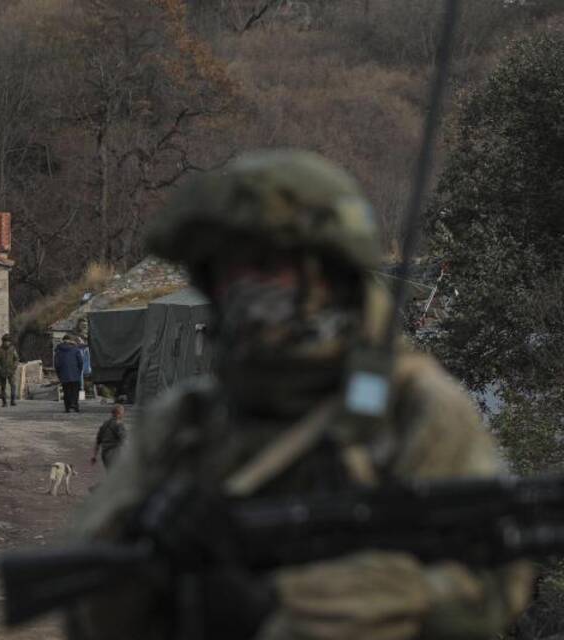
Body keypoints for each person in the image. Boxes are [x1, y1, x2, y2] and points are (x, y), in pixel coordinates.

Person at [66, 151, 533, 639]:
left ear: (327, 273)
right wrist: (163, 577)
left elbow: (492, 586)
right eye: (226, 266)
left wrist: (387, 597)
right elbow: (86, 596)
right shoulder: (188, 420)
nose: (243, 283)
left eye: (267, 264)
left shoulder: (415, 407)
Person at [54, 334, 85, 413]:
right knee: (75, 391)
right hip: (75, 374)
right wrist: (79, 371)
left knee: (66, 391)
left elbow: (57, 364)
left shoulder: (58, 350)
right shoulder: (76, 349)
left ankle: (67, 407)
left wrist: (59, 374)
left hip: (64, 374)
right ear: (71, 340)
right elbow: (80, 362)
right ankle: (75, 405)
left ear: (63, 340)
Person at [91, 404, 126, 469]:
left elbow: (98, 441)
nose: (123, 414)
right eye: (123, 412)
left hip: (105, 454)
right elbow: (124, 441)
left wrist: (94, 456)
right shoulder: (119, 425)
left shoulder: (105, 424)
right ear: (119, 413)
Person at [0, 334, 20, 407]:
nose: (7, 343)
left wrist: (14, 367)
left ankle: (13, 400)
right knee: (3, 387)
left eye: (8, 341)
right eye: (5, 341)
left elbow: (16, 359)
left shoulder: (12, 349)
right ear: (3, 342)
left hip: (10, 371)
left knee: (13, 386)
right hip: (2, 371)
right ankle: (4, 402)